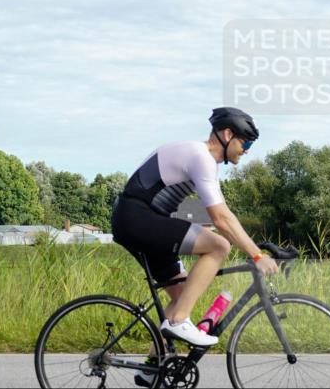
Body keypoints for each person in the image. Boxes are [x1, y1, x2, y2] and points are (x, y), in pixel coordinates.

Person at [111, 107, 280, 360]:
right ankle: (179, 321)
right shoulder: (201, 158)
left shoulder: (201, 158)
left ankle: (151, 370)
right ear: (226, 134)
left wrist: (254, 247)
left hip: (139, 218)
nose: (246, 150)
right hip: (138, 217)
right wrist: (256, 256)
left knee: (180, 295)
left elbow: (226, 214)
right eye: (245, 143)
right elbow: (221, 219)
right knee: (219, 246)